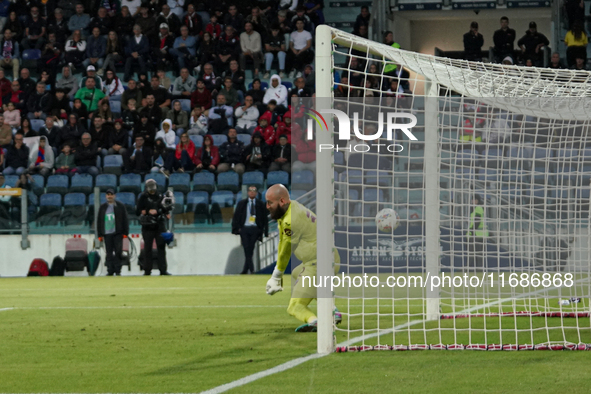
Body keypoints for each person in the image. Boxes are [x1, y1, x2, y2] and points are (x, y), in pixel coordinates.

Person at [264, 184, 341, 331]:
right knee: (296, 273)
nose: (267, 206)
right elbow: (282, 242)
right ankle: (332, 311)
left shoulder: (290, 220)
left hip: (318, 264)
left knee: (295, 306)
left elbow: (286, 250)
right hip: (329, 258)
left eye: (270, 203)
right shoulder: (292, 207)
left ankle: (317, 322)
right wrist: (277, 275)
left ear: (281, 201)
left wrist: (276, 275)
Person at [137, 179, 171, 275]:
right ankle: (147, 270)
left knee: (161, 247)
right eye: (150, 190)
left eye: (153, 190)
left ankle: (163, 270)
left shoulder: (161, 196)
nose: (152, 192)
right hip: (147, 226)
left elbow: (165, 208)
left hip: (159, 225)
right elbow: (138, 210)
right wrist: (147, 212)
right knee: (147, 248)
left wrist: (158, 211)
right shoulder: (143, 197)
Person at [232, 185, 268, 274]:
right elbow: (236, 216)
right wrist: (237, 228)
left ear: (256, 193)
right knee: (246, 248)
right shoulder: (242, 203)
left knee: (250, 248)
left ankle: (247, 269)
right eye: (250, 191)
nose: (252, 192)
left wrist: (264, 231)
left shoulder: (260, 204)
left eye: (254, 191)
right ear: (248, 192)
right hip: (245, 228)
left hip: (255, 228)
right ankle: (250, 269)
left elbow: (264, 218)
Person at [97, 188, 129, 276]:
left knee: (118, 252)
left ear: (114, 195)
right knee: (109, 253)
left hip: (117, 233)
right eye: (108, 195)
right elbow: (99, 221)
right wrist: (100, 234)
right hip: (107, 234)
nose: (109, 196)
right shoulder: (102, 207)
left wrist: (125, 232)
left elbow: (125, 219)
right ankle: (110, 270)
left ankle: (118, 270)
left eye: (111, 194)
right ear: (106, 196)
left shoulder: (120, 206)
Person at [466, 194, 489, 269]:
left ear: (477, 200)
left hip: (478, 234)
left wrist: (472, 231)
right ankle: (477, 268)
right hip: (479, 234)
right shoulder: (476, 209)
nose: (472, 201)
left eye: (474, 200)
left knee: (474, 253)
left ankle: (471, 267)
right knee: (478, 253)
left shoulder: (478, 208)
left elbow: (477, 221)